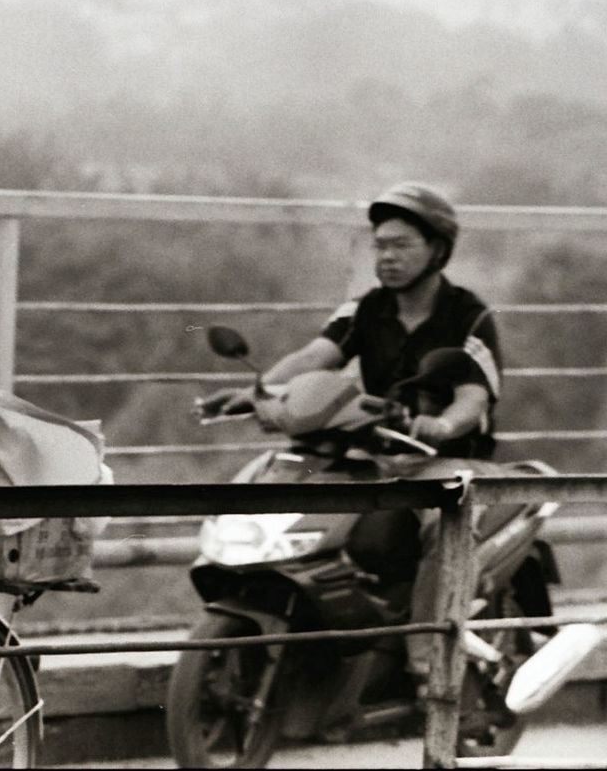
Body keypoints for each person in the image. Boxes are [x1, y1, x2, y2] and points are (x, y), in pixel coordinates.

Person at [201, 181, 503, 682]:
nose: (386, 257)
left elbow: (473, 397)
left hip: (442, 455)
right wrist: (259, 392)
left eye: (401, 245)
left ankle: (429, 654)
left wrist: (443, 424)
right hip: (376, 448)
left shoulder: (470, 317)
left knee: (443, 522)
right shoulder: (366, 308)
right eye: (379, 245)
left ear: (438, 251)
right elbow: (315, 356)